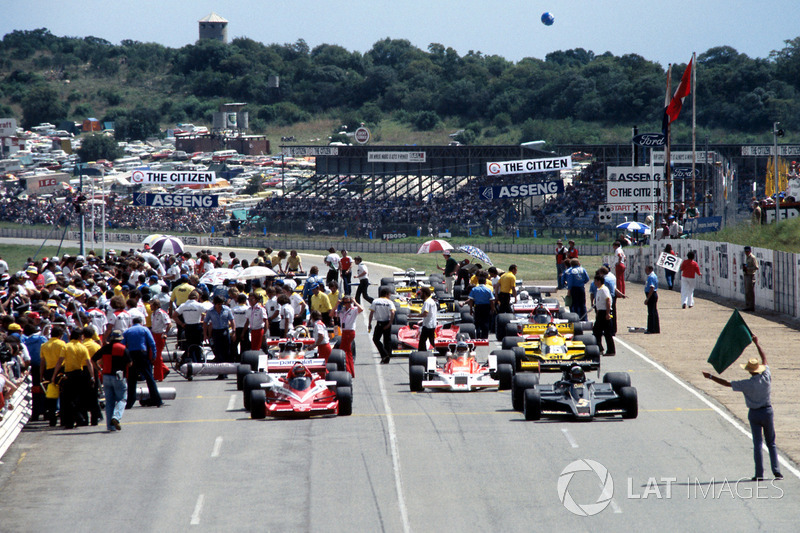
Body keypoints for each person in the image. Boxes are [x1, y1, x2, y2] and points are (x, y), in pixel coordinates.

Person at [702, 336, 783, 481]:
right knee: (771, 442)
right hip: (767, 411)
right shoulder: (766, 377)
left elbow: (727, 383)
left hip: (754, 413)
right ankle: (776, 471)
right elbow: (765, 359)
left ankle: (759, 474)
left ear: (750, 371)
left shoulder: (746, 384)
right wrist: (757, 344)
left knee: (758, 443)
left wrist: (710, 377)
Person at [91, 331, 132, 432]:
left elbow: (93, 359)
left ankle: (110, 426)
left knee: (109, 402)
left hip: (106, 376)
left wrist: (98, 369)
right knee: (122, 399)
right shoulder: (123, 349)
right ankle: (116, 417)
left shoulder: (105, 348)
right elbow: (130, 363)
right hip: (118, 376)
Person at [123, 316, 163, 408]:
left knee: (132, 379)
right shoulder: (144, 329)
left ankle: (129, 403)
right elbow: (152, 343)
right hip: (142, 354)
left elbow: (122, 344)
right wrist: (154, 355)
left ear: (132, 323)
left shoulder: (127, 331)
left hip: (131, 354)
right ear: (141, 322)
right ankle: (157, 400)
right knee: (149, 378)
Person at [204, 295, 234, 379]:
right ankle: (221, 372)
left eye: (221, 304)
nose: (220, 306)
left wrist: (234, 331)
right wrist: (206, 335)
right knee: (218, 352)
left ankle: (226, 371)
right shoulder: (210, 311)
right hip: (216, 332)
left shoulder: (227, 309)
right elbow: (206, 322)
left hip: (225, 331)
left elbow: (232, 320)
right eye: (218, 304)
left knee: (226, 352)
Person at [174, 291, 205, 362]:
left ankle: (192, 360)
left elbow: (174, 315)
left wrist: (181, 324)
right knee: (198, 345)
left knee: (190, 345)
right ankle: (198, 360)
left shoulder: (183, 305)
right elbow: (208, 312)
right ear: (197, 297)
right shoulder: (199, 305)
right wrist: (204, 321)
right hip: (197, 326)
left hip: (187, 327)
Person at [368, 287, 396, 364]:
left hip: (379, 323)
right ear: (387, 294)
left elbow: (371, 313)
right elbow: (393, 313)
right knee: (387, 340)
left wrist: (369, 323)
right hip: (387, 322)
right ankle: (387, 356)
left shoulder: (375, 301)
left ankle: (384, 355)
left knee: (375, 339)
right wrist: (390, 323)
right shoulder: (389, 302)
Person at [337, 296, 363, 377]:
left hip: (350, 332)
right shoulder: (341, 311)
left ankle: (348, 371)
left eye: (348, 302)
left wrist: (354, 301)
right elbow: (331, 314)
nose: (347, 304)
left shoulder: (354, 309)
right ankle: (351, 372)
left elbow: (361, 309)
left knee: (343, 351)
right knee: (348, 352)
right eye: (345, 302)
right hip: (344, 332)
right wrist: (337, 304)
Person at [591, 274, 615, 356]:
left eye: (595, 281)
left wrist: (607, 313)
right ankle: (600, 348)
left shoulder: (604, 289)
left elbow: (608, 300)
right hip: (600, 312)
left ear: (599, 281)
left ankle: (611, 350)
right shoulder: (599, 290)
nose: (594, 282)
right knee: (597, 331)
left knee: (606, 332)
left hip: (605, 312)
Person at [466, 274, 494, 340]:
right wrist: (492, 309)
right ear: (485, 282)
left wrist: (470, 309)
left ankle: (478, 335)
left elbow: (471, 300)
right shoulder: (488, 290)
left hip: (477, 307)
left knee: (477, 321)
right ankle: (485, 336)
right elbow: (491, 300)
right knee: (485, 321)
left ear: (478, 282)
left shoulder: (474, 289)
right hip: (486, 307)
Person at [417, 286, 437, 351]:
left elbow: (425, 313)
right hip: (432, 324)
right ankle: (438, 350)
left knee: (422, 342)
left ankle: (422, 353)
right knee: (431, 340)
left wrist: (415, 316)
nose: (420, 294)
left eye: (421, 293)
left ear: (424, 294)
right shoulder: (432, 301)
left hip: (428, 325)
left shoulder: (427, 302)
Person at [742, 246, 759, 312]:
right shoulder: (747, 257)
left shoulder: (752, 257)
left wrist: (748, 268)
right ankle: (748, 305)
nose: (746, 253)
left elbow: (756, 267)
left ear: (750, 251)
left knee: (750, 292)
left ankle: (751, 306)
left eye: (747, 251)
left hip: (751, 275)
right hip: (747, 275)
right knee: (747, 292)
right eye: (745, 252)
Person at [644, 265, 660, 334]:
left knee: (651, 313)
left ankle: (651, 329)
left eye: (646, 269)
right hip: (652, 295)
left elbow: (652, 288)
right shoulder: (652, 276)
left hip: (651, 295)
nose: (645, 271)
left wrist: (647, 298)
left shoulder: (651, 277)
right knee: (653, 312)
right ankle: (655, 328)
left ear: (650, 269)